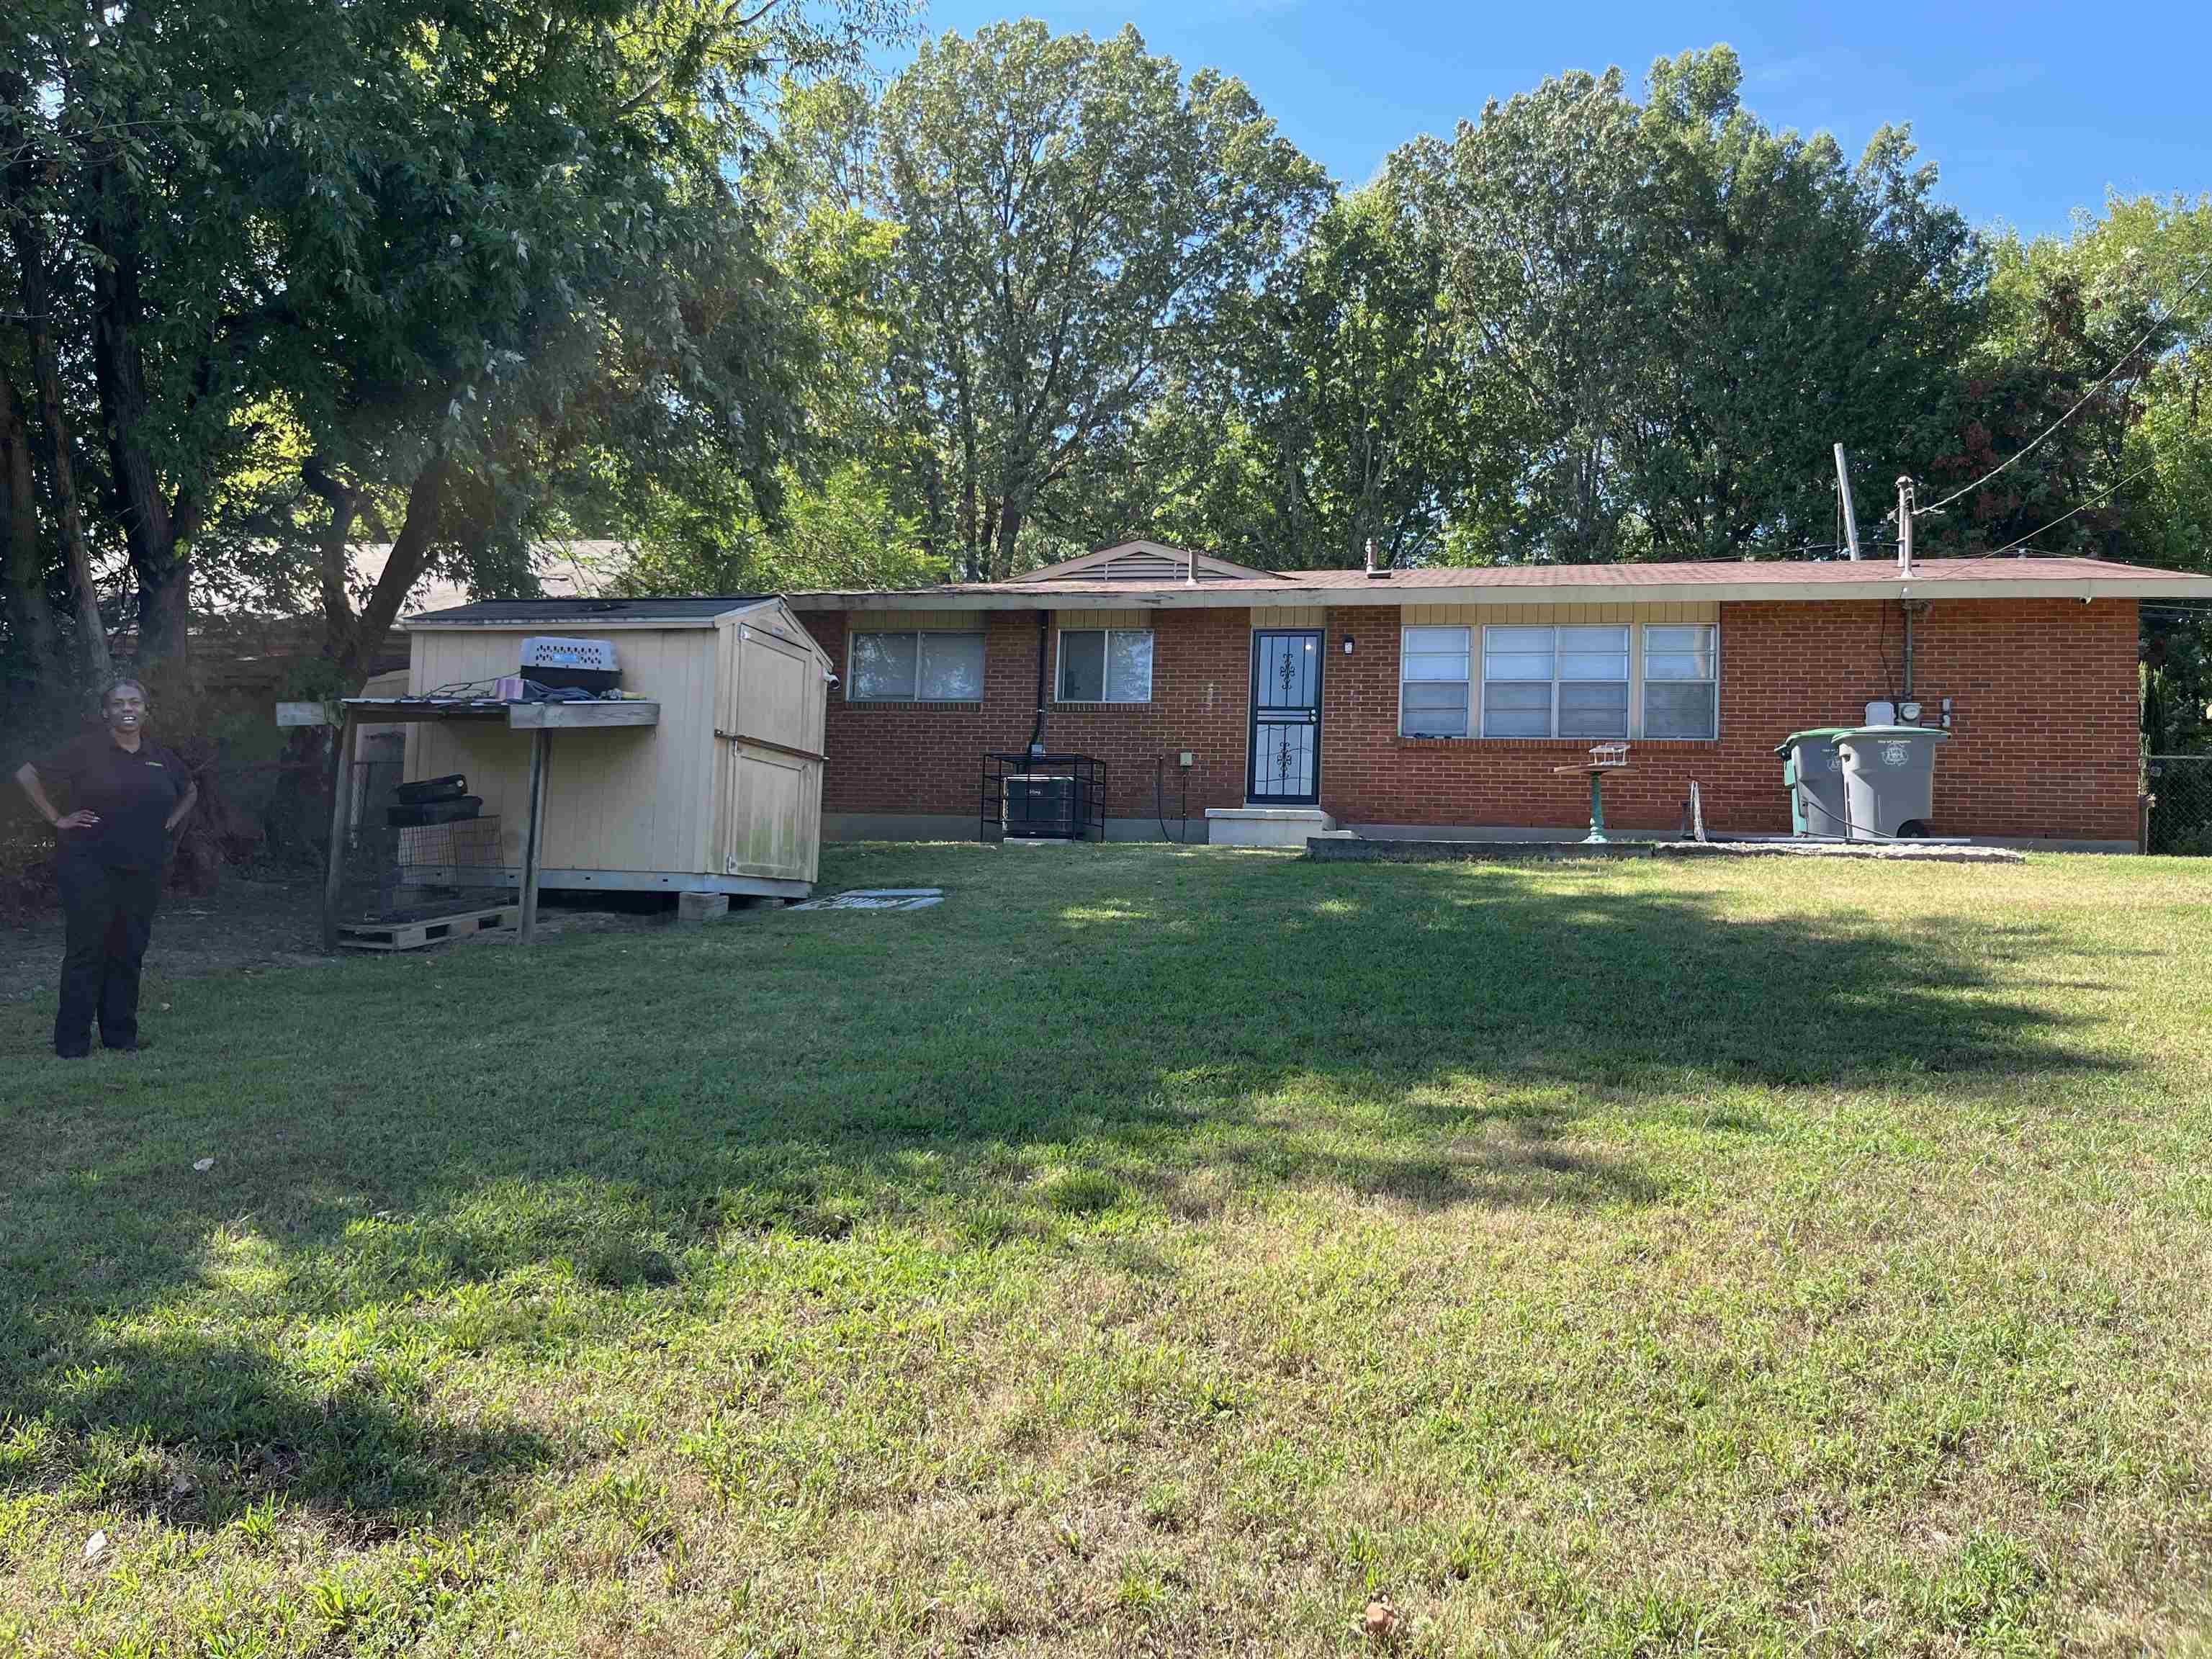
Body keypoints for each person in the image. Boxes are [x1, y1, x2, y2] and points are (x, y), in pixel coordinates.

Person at [14, 678, 197, 1058]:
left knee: (129, 949)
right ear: (105, 712)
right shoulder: (85, 750)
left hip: (143, 866)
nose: (127, 709)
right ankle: (72, 1042)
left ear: (146, 710)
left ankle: (120, 1036)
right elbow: (26, 775)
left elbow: (190, 790)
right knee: (87, 949)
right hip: (88, 863)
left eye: (135, 703)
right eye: (118, 704)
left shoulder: (159, 755)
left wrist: (166, 824)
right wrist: (56, 818)